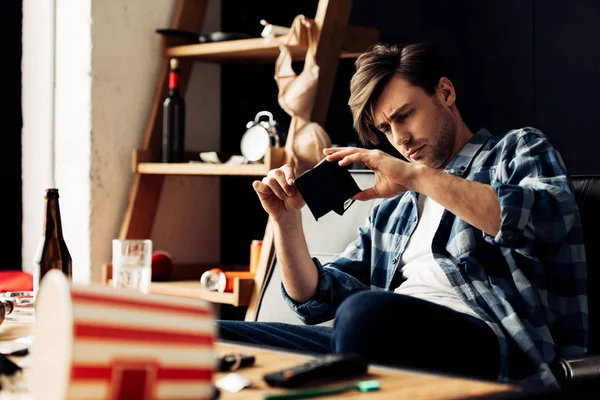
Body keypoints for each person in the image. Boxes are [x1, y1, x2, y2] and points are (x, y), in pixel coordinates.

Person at [217, 42, 588, 389]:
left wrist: (415, 177)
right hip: (377, 338)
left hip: (495, 345)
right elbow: (315, 299)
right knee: (211, 335)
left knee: (363, 315)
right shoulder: (394, 208)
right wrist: (285, 221)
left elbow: (545, 222)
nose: (400, 139)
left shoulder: (516, 149)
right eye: (385, 129)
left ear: (445, 93)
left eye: (405, 115)